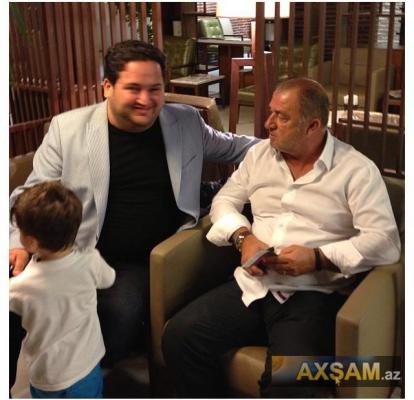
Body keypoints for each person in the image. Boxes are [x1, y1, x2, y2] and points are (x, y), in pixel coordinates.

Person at [9, 39, 258, 366]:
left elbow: (239, 146)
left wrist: (299, 148)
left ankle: (83, 376)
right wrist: (18, 244)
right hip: (75, 249)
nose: (146, 100)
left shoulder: (185, 122)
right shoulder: (68, 129)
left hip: (142, 260)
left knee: (116, 316)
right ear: (107, 87)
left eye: (155, 89)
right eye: (133, 88)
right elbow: (31, 192)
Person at [162, 78, 401, 397]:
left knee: (290, 383)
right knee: (180, 337)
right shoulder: (259, 155)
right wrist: (243, 237)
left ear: (313, 126)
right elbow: (225, 200)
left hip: (312, 294)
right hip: (253, 284)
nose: (268, 123)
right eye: (271, 112)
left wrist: (318, 258)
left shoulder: (356, 170)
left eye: (281, 116)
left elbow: (384, 242)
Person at [9, 181, 116, 398]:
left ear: (30, 242)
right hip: (87, 366)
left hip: (47, 377)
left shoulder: (20, 286)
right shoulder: (91, 261)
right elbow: (109, 279)